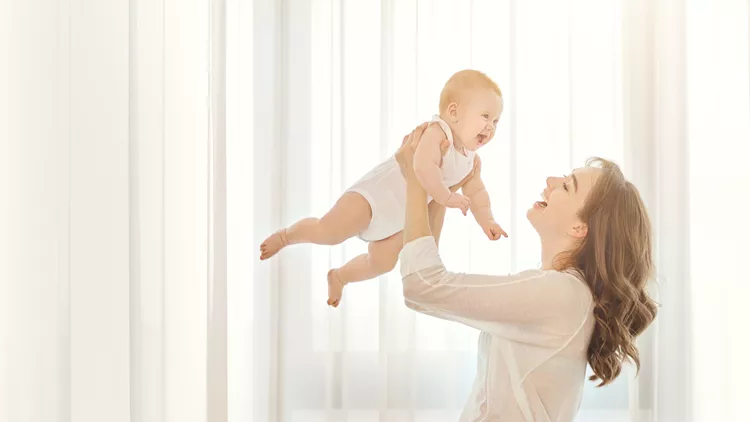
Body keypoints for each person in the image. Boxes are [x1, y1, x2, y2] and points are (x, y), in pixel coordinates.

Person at [395, 123, 658, 421]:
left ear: (579, 228)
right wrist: (438, 191)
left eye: (567, 185)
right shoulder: (562, 293)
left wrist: (417, 182)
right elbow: (429, 282)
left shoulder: (561, 294)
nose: (550, 180)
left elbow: (422, 285)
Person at [259, 69, 507, 307]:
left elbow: (477, 194)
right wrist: (447, 197)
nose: (491, 127)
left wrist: (488, 221)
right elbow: (421, 167)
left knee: (382, 262)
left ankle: (340, 277)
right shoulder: (437, 133)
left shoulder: (471, 162)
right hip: (373, 198)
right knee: (329, 232)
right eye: (485, 116)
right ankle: (286, 236)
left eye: (496, 121)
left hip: (399, 220)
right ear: (453, 112)